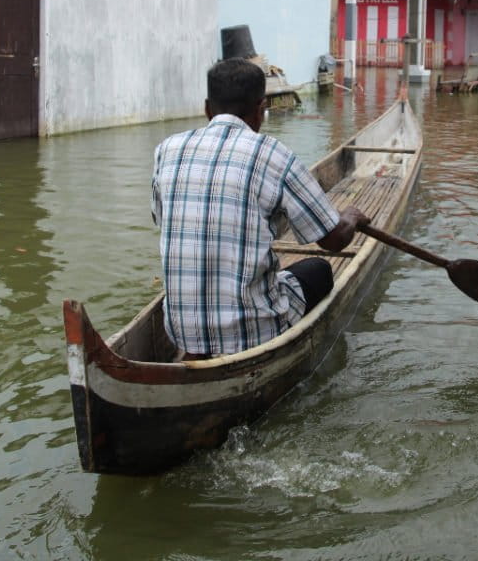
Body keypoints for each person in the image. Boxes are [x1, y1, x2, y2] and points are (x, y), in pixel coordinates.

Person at [151, 58, 369, 359]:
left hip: (181, 331)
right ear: (260, 109)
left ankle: (195, 354)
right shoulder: (274, 154)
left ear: (207, 109)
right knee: (320, 269)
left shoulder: (167, 149)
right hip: (253, 331)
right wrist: (351, 217)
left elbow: (162, 219)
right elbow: (333, 241)